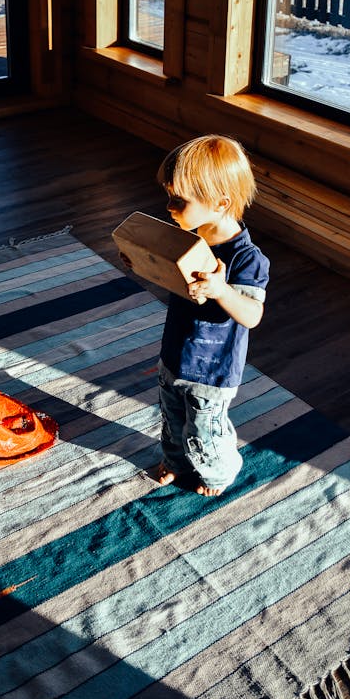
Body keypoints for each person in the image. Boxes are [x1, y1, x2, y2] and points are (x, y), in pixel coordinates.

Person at [153, 134, 270, 496]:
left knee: (204, 430)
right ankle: (175, 461)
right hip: (174, 352)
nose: (169, 206)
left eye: (178, 199)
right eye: (168, 195)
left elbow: (252, 315)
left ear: (220, 202)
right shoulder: (190, 236)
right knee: (172, 419)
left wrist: (222, 290)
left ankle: (219, 473)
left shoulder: (246, 258)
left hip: (211, 368)